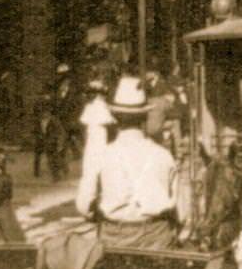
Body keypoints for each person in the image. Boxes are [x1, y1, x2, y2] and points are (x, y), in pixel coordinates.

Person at [76, 75, 178, 249]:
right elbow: (179, 210)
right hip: (157, 240)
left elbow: (84, 205)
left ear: (115, 118)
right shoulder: (163, 156)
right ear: (145, 117)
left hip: (114, 240)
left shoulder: (102, 155)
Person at [0, 148, 25, 242]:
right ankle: (18, 240)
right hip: (7, 205)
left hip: (0, 207)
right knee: (11, 223)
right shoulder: (7, 177)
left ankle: (10, 243)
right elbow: (10, 194)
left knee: (4, 226)